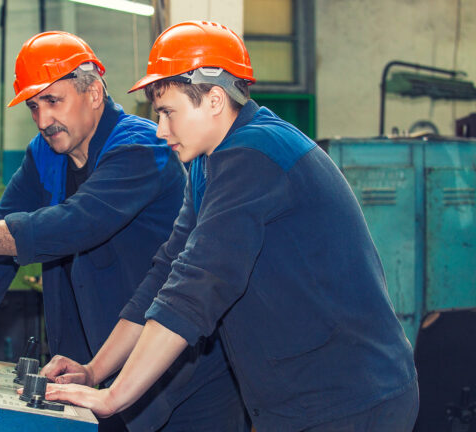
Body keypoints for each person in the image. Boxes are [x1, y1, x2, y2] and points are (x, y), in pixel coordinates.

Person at [44, 21, 420, 431]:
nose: (161, 130)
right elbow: (167, 272)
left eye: (168, 113)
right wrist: (97, 371)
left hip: (349, 400)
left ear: (215, 100)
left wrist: (114, 398)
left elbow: (196, 287)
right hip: (298, 401)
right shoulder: (208, 164)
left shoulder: (254, 155)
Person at [0, 31, 248, 431]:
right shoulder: (46, 154)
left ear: (94, 94)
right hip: (89, 369)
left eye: (53, 100)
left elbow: (73, 225)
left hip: (180, 375)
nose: (43, 119)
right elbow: (4, 233)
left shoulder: (142, 148)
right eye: (34, 106)